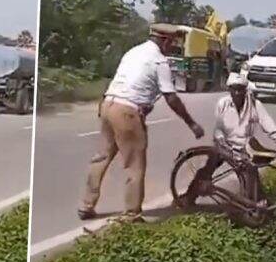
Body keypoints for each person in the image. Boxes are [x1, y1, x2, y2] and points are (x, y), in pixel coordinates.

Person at [78, 24, 206, 222]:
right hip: (127, 113)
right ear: (165, 41)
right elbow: (171, 98)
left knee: (101, 158)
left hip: (109, 104)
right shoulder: (159, 61)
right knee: (135, 167)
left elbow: (121, 81)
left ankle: (86, 205)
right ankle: (132, 214)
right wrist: (192, 124)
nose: (172, 47)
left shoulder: (133, 52)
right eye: (172, 43)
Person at [179, 73, 276, 207]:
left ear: (246, 90)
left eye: (241, 89)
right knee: (206, 170)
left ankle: (256, 203)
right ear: (229, 90)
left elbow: (272, 131)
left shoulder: (256, 105)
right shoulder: (223, 103)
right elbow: (218, 129)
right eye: (234, 89)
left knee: (251, 179)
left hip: (245, 148)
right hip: (224, 145)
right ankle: (189, 197)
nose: (237, 93)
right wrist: (221, 142)